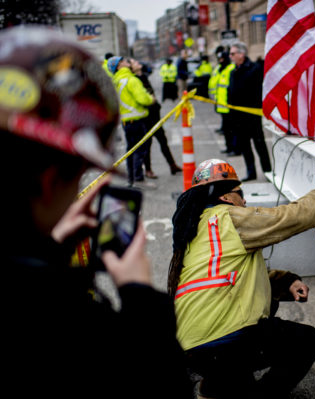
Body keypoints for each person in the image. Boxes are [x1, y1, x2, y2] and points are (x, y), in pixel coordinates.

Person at [0, 26, 191, 398]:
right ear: (52, 181)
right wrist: (138, 294)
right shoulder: (68, 327)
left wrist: (48, 251)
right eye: (77, 174)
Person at [167, 159, 315, 398]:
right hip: (220, 341)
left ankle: (215, 385)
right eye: (239, 193)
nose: (244, 200)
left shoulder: (198, 228)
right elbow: (287, 218)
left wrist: (286, 281)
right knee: (308, 341)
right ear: (226, 197)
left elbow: (233, 278)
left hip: (192, 345)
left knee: (268, 308)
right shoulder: (228, 218)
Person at [107, 55, 156, 188]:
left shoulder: (116, 81)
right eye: (122, 61)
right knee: (140, 150)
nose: (126, 62)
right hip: (137, 120)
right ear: (118, 66)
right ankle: (138, 179)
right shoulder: (130, 80)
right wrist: (151, 98)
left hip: (126, 122)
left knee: (130, 150)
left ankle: (131, 179)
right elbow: (143, 99)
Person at [130, 58, 182, 177]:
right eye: (135, 63)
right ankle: (148, 170)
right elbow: (143, 98)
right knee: (147, 145)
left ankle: (172, 165)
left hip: (155, 116)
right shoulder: (136, 80)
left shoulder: (144, 76)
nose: (139, 63)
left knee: (163, 142)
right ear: (132, 68)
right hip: (146, 117)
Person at [228, 42, 272, 181]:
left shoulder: (254, 69)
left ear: (242, 54)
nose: (230, 56)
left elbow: (257, 92)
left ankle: (267, 171)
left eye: (233, 53)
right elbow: (232, 92)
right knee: (245, 146)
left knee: (259, 144)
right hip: (238, 116)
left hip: (252, 115)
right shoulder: (233, 71)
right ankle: (250, 172)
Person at [214, 52, 238, 155]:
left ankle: (235, 149)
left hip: (230, 106)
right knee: (226, 131)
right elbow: (219, 88)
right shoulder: (221, 70)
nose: (220, 61)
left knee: (233, 131)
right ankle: (229, 147)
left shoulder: (231, 69)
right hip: (222, 106)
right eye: (219, 60)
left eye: (222, 59)